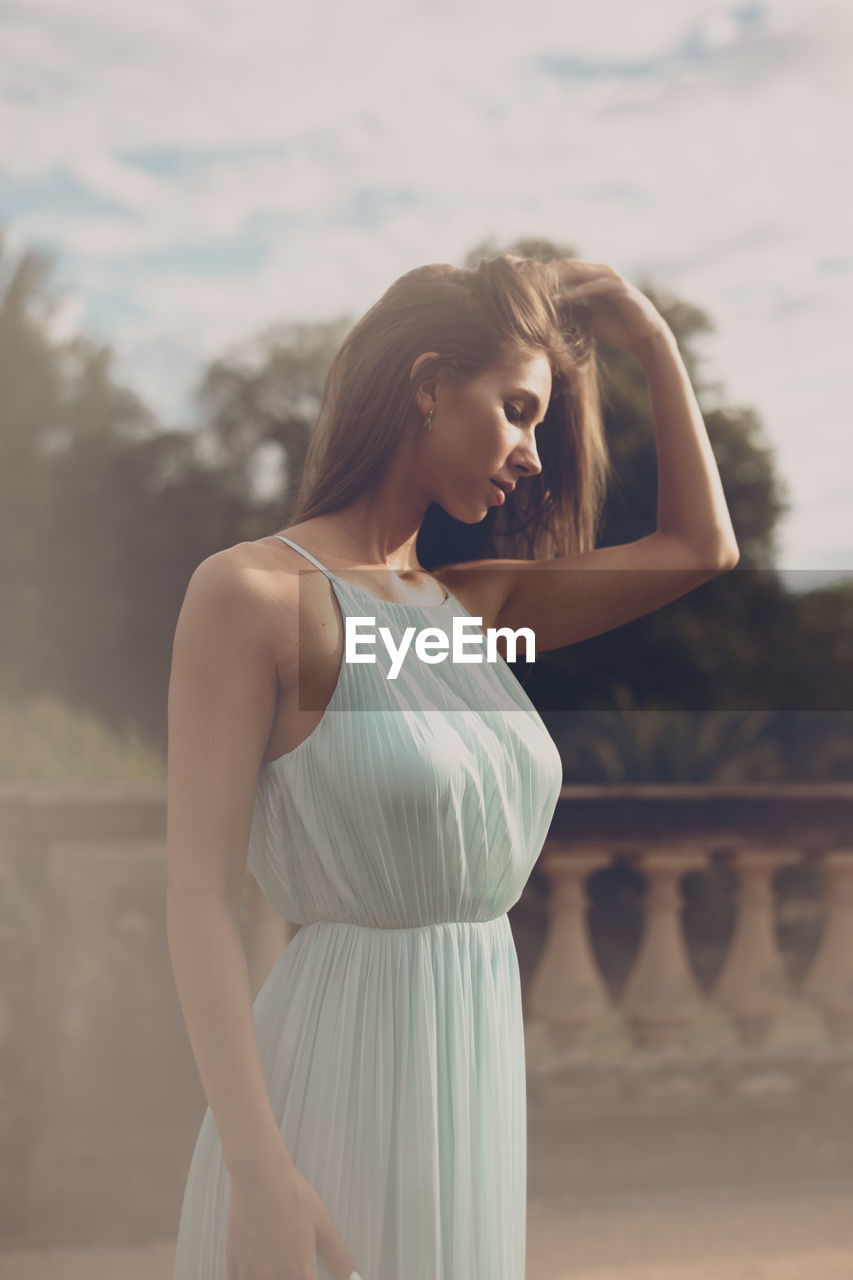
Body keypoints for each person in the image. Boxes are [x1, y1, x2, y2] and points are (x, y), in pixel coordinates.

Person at [166, 254, 739, 1280]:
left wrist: (649, 338)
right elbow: (198, 896)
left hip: (469, 1072)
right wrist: (260, 1173)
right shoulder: (250, 595)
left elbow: (701, 546)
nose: (530, 454)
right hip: (327, 1081)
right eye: (518, 410)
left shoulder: (464, 611)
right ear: (430, 384)